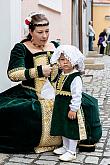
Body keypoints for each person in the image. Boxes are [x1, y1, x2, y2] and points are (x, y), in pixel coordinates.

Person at [0, 12, 61, 153]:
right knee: (27, 113)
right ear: (30, 31)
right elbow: (13, 74)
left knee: (87, 105)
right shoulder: (21, 48)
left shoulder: (56, 46)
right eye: (40, 32)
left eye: (47, 31)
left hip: (56, 91)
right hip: (29, 93)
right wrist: (39, 71)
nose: (45, 36)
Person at [50, 45, 87, 162]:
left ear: (74, 60)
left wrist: (74, 109)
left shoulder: (75, 77)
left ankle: (72, 151)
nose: (65, 62)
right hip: (61, 106)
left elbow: (77, 95)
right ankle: (65, 147)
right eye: (62, 59)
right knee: (63, 127)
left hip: (69, 107)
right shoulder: (62, 74)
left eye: (68, 59)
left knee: (71, 128)